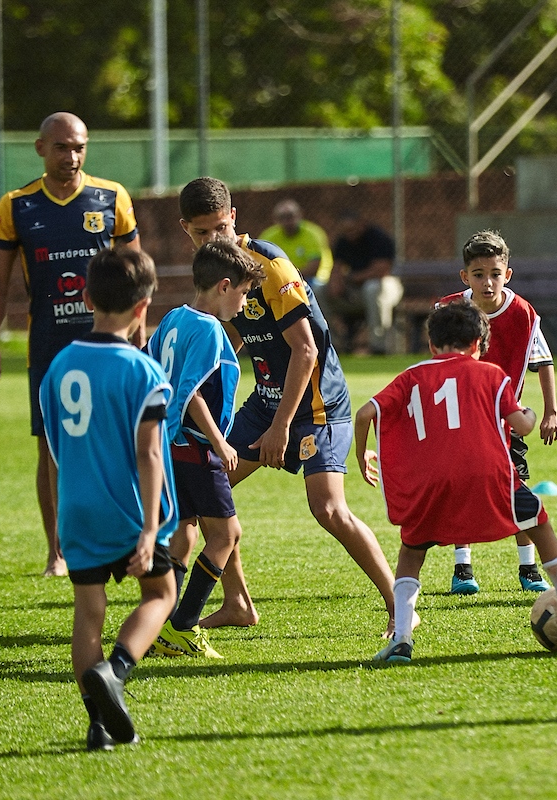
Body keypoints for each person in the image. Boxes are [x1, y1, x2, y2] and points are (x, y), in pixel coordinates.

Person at [176, 178, 398, 637]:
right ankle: (237, 603)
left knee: (328, 509)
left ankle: (400, 606)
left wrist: (280, 429)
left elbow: (306, 350)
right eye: (202, 233)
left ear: (233, 217)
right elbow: (238, 332)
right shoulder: (214, 269)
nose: (212, 240)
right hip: (267, 400)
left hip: (318, 402)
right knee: (210, 492)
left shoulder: (270, 265)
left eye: (219, 228)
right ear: (187, 231)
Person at [354, 301, 557, 664]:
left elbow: (365, 413)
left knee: (411, 554)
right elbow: (521, 425)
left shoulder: (410, 376)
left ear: (431, 344)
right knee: (539, 523)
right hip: (488, 477)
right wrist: (533, 413)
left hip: (430, 484)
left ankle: (401, 638)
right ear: (478, 344)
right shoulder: (491, 375)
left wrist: (363, 453)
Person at [0, 111, 141, 577]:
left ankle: (127, 539)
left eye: (79, 147)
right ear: (40, 148)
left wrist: (140, 335)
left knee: (124, 441)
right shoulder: (17, 205)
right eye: (61, 147)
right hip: (48, 347)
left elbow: (137, 275)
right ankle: (58, 551)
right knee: (50, 448)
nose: (71, 156)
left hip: (110, 344)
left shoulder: (112, 197)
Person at [39, 247, 177, 751]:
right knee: (160, 594)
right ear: (143, 308)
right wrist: (147, 529)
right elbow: (150, 456)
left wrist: (57, 525)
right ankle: (116, 671)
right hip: (128, 511)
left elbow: (55, 453)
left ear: (87, 297)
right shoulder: (142, 372)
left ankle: (97, 726)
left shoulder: (59, 367)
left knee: (89, 610)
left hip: (77, 510)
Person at [146, 241, 265, 659]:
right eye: (245, 293)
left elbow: (154, 369)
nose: (245, 302)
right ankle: (183, 626)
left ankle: (160, 623)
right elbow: (191, 391)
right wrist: (219, 442)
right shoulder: (211, 329)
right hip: (196, 449)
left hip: (169, 445)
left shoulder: (174, 317)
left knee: (184, 533)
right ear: (224, 285)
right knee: (227, 534)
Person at [438, 231, 557, 594]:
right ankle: (463, 568)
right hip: (458, 419)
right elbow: (434, 363)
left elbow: (543, 360)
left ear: (507, 274)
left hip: (505, 421)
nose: (487, 282)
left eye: (494, 273)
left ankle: (528, 568)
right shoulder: (448, 310)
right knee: (461, 490)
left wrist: (551, 411)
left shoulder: (523, 314)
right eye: (478, 274)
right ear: (465, 277)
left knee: (516, 490)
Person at [326, 210, 404, 354]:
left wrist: (352, 278)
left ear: (361, 224)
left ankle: (378, 346)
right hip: (355, 291)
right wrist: (335, 283)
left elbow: (382, 270)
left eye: (352, 229)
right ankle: (328, 342)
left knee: (372, 287)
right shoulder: (342, 241)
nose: (350, 233)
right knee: (319, 290)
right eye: (346, 230)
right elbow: (337, 267)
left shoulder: (378, 237)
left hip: (386, 286)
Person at [258, 199, 334, 294]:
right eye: (282, 217)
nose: (287, 221)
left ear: (300, 214)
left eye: (290, 216)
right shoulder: (268, 236)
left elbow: (314, 267)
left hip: (313, 279)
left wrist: (289, 278)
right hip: (282, 280)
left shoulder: (313, 233)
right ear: (275, 219)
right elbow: (261, 264)